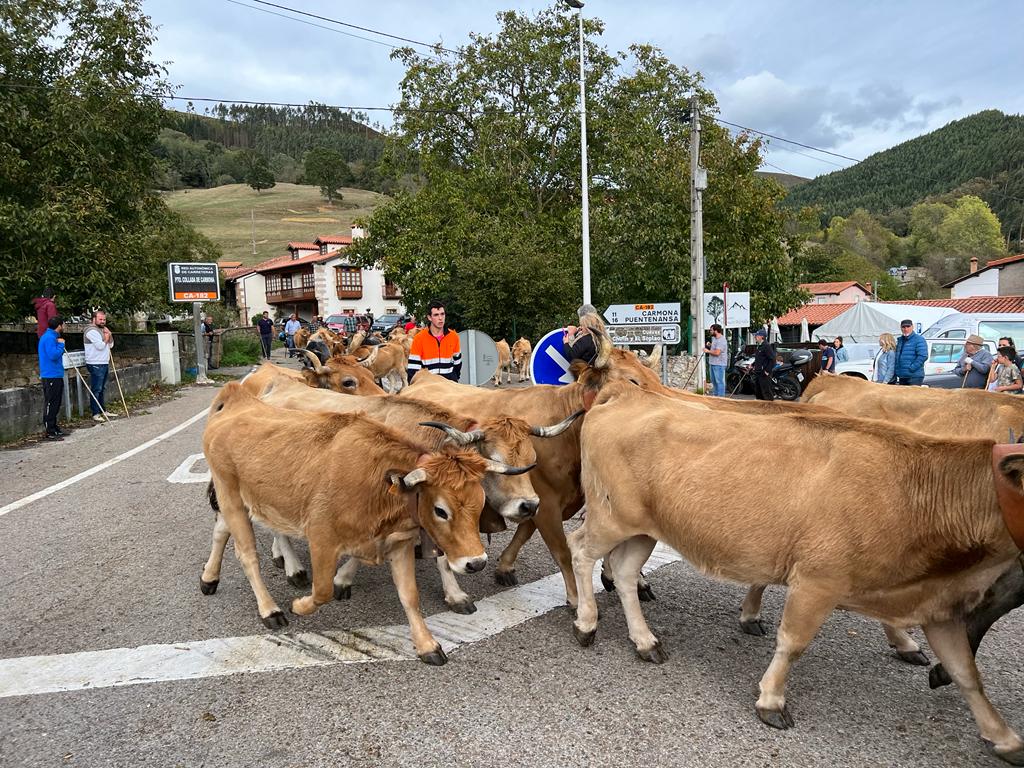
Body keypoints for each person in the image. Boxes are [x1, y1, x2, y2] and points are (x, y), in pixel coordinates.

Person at [407, 300, 462, 382]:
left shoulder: (454, 336)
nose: (440, 318)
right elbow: (413, 367)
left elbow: (458, 364)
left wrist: (454, 379)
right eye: (436, 315)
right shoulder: (419, 338)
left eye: (442, 314)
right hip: (429, 387)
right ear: (429, 317)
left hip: (449, 385)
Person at [38, 315, 67, 441]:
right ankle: (49, 429)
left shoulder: (53, 337)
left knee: (56, 402)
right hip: (50, 375)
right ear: (59, 326)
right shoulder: (49, 338)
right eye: (63, 324)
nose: (64, 326)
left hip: (56, 374)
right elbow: (53, 355)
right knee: (50, 402)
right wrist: (61, 345)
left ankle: (54, 426)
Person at [84, 310, 116, 421]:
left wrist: (109, 335)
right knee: (96, 389)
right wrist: (107, 337)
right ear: (94, 319)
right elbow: (100, 346)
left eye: (104, 319)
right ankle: (95, 413)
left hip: (104, 362)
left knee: (102, 388)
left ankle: (103, 410)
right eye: (100, 319)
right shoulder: (91, 330)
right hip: (95, 362)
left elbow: (111, 345)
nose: (103, 321)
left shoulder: (103, 330)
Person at [893, 318, 927, 385]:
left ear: (912, 327)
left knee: (914, 395)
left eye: (908, 326)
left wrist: (911, 368)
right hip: (902, 376)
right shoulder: (900, 340)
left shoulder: (919, 339)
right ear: (901, 328)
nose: (906, 329)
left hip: (914, 376)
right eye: (903, 327)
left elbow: (923, 356)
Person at [750, 327, 776, 401]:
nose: (755, 337)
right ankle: (760, 408)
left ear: (762, 337)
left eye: (757, 335)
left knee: (766, 392)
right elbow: (759, 358)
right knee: (759, 392)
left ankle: (770, 408)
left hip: (764, 373)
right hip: (758, 372)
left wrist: (767, 370)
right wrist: (753, 365)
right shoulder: (760, 346)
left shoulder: (766, 346)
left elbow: (773, 359)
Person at [705, 323, 728, 396]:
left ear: (716, 331)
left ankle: (721, 398)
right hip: (713, 363)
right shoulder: (714, 338)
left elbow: (717, 352)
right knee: (714, 381)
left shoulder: (721, 340)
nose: (710, 332)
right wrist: (711, 345)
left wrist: (707, 351)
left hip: (719, 364)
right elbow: (717, 347)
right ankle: (716, 396)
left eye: (711, 330)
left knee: (719, 382)